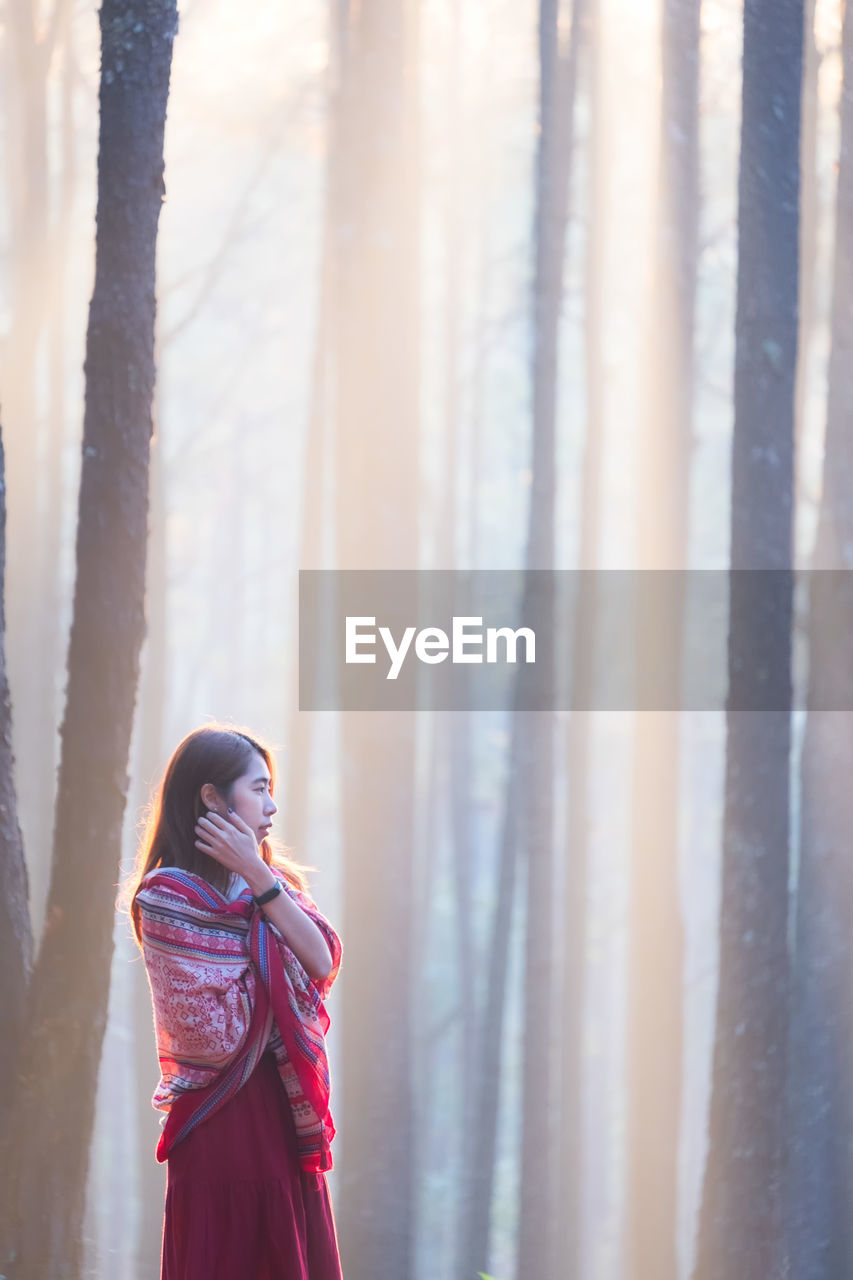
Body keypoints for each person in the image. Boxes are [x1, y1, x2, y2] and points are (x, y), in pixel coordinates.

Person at [125, 723, 344, 1280]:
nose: (272, 805)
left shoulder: (272, 885)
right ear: (211, 796)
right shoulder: (167, 898)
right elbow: (212, 1035)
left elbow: (320, 962)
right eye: (260, 788)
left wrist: (256, 874)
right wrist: (272, 949)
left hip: (280, 1110)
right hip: (219, 1125)